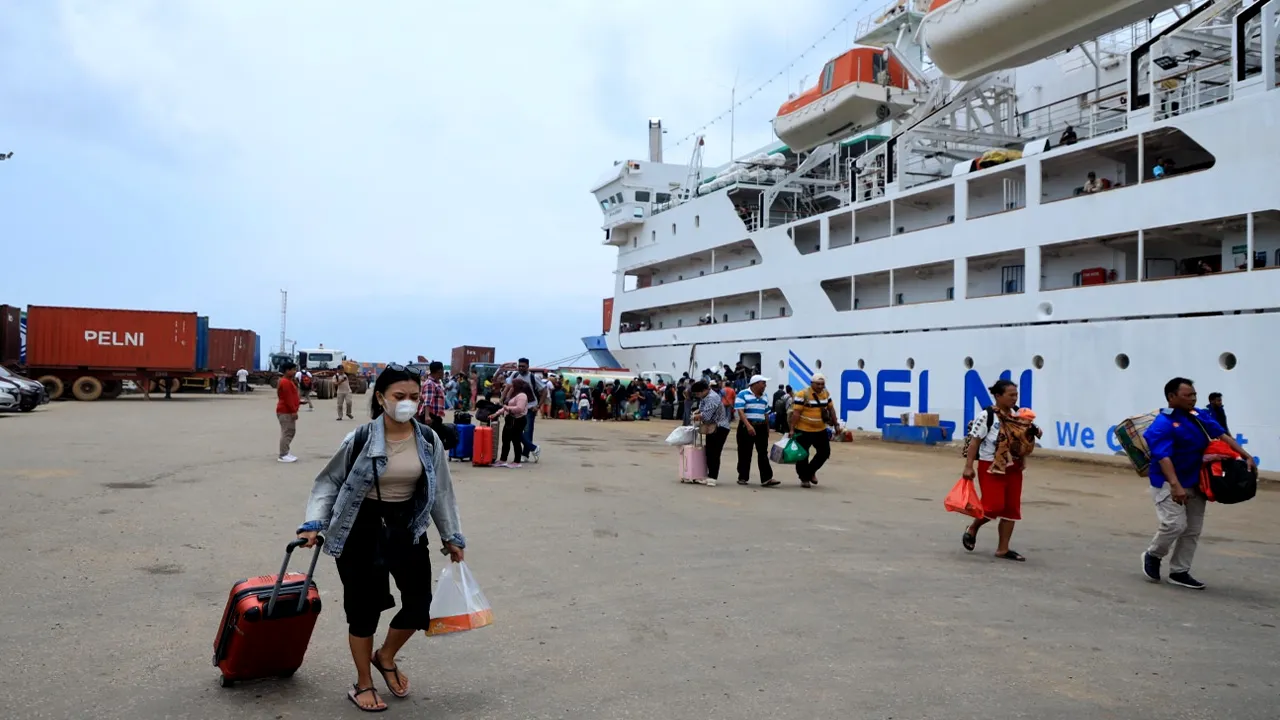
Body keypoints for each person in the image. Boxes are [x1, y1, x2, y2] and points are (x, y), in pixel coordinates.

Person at [295, 364, 465, 712]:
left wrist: (451, 535)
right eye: (399, 396)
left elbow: (442, 492)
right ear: (381, 398)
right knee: (364, 610)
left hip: (406, 525)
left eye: (414, 397)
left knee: (419, 605)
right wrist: (314, 523)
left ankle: (385, 656)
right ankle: (363, 683)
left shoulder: (428, 440)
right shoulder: (359, 438)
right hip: (361, 526)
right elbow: (328, 481)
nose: (407, 403)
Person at [1140, 377, 1253, 589]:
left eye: (1194, 394)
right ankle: (1154, 554)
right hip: (1167, 480)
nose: (1193, 398)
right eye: (1187, 395)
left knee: (1192, 529)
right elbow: (1163, 457)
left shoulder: (1198, 415)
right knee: (1174, 524)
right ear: (1171, 397)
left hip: (1196, 479)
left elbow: (1220, 433)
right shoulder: (1163, 424)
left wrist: (1245, 455)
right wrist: (1175, 485)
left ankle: (1180, 571)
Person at [960, 379, 1043, 561]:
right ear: (998, 396)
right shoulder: (987, 415)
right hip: (991, 466)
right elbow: (975, 441)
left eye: (1016, 395)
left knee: (1012, 509)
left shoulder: (1018, 417)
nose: (1015, 398)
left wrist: (1024, 456)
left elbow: (1021, 442)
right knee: (993, 506)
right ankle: (973, 527)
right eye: (1010, 395)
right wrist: (968, 467)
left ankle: (1003, 549)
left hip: (1013, 467)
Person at [788, 374, 836, 488]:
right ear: (812, 383)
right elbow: (796, 413)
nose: (820, 386)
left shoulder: (826, 394)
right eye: (818, 384)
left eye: (822, 384)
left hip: (820, 429)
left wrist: (836, 424)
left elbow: (831, 409)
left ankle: (810, 472)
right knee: (802, 455)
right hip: (803, 429)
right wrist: (792, 429)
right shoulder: (802, 394)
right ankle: (804, 478)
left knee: (824, 452)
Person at [735, 374, 778, 487]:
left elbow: (766, 413)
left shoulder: (764, 396)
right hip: (746, 426)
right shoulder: (743, 394)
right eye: (763, 383)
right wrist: (748, 426)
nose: (765, 385)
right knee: (745, 452)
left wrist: (767, 429)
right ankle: (743, 477)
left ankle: (766, 478)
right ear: (755, 384)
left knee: (763, 452)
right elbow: (740, 411)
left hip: (761, 427)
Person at [691, 380, 730, 487]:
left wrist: (697, 416)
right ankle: (709, 475)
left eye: (698, 393)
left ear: (704, 390)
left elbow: (707, 416)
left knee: (714, 453)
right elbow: (702, 410)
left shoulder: (712, 398)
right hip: (712, 427)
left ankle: (713, 478)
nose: (698, 396)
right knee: (709, 452)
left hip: (719, 428)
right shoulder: (706, 397)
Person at [507, 359, 546, 462]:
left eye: (523, 366)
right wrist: (504, 399)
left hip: (530, 408)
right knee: (515, 431)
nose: (521, 368)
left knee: (527, 431)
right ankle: (534, 448)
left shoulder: (533, 378)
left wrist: (538, 406)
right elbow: (508, 387)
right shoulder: (515, 376)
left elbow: (544, 391)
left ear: (528, 367)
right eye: (519, 366)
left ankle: (525, 455)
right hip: (517, 408)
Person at [492, 377, 533, 466]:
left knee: (516, 440)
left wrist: (508, 408)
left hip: (518, 420)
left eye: (513, 385)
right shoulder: (514, 394)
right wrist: (496, 414)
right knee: (505, 439)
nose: (511, 386)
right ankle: (503, 459)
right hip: (510, 419)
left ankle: (517, 461)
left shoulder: (522, 396)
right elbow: (505, 406)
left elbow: (519, 408)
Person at [276, 363, 301, 463]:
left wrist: (299, 402)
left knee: (290, 431)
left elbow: (291, 396)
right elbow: (287, 398)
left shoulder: (289, 381)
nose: (295, 372)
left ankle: (286, 452)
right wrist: (293, 411)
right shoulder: (285, 382)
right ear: (287, 371)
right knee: (287, 432)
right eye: (293, 370)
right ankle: (283, 455)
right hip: (286, 411)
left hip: (287, 410)